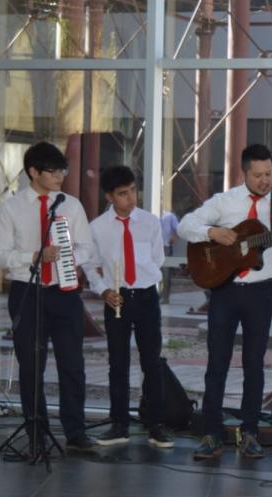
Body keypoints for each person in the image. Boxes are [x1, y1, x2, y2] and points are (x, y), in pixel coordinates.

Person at [177, 144, 272, 461]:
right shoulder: (225, 201)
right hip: (225, 290)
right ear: (244, 173)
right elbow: (185, 226)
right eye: (258, 175)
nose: (265, 180)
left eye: (269, 173)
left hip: (261, 292)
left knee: (254, 364)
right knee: (216, 363)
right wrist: (213, 232)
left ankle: (249, 433)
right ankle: (211, 434)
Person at [0, 141, 98, 453]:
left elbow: (86, 247)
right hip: (27, 291)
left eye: (61, 169)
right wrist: (35, 255)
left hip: (64, 293)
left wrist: (68, 259)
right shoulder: (11, 207)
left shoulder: (71, 204)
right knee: (31, 365)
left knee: (72, 364)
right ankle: (36, 430)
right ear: (33, 172)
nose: (59, 176)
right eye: (52, 171)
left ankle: (75, 431)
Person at [82, 166, 174, 449]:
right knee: (117, 363)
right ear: (110, 197)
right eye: (123, 194)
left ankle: (155, 424)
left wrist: (143, 281)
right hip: (116, 298)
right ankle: (119, 424)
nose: (131, 198)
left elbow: (157, 258)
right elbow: (89, 264)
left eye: (133, 190)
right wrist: (104, 290)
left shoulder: (149, 222)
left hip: (146, 297)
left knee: (152, 362)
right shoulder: (97, 227)